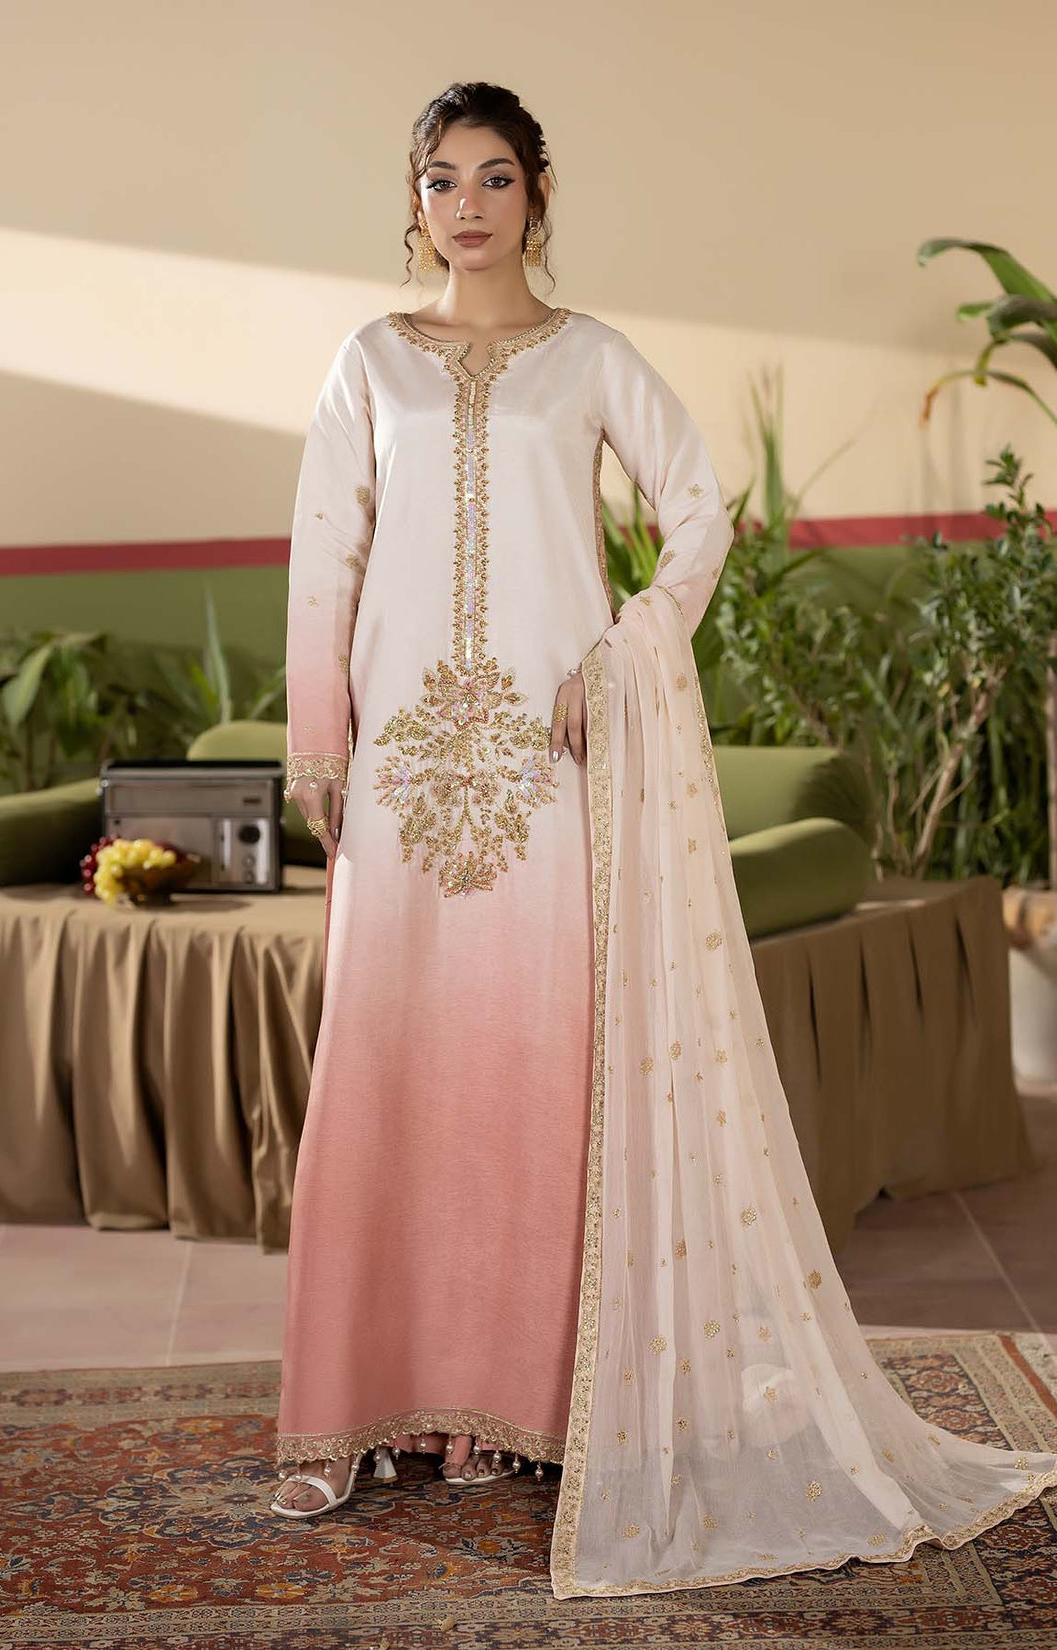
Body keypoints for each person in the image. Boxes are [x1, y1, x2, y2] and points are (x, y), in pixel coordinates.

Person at [271, 81, 1057, 1600]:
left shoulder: (591, 359)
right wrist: (320, 740)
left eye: (497, 177)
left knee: (531, 1073)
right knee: (386, 1060)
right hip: (405, 777)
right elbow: (325, 554)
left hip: (551, 769)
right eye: (443, 180)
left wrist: (622, 652)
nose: (469, 206)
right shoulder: (369, 361)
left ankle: (511, 1408)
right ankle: (351, 1409)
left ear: (538, 192)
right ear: (413, 200)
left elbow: (700, 511)